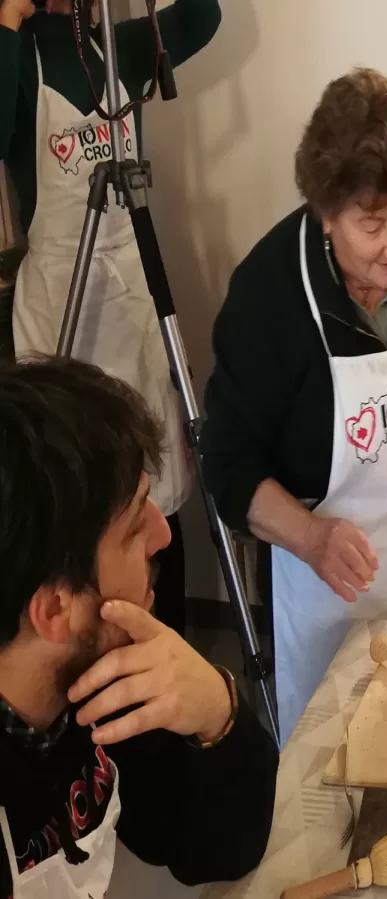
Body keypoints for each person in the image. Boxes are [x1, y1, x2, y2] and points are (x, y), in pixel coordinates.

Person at [201, 68, 387, 742]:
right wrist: (311, 536)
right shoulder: (269, 294)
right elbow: (228, 468)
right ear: (326, 213)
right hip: (327, 601)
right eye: (371, 225)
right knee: (332, 767)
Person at [0, 356, 277, 899]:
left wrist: (216, 710)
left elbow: (219, 850)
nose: (163, 536)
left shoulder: (99, 681)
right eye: (134, 526)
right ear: (54, 610)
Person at [0, 0, 224, 639]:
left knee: (157, 489)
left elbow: (203, 17)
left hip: (131, 296)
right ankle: (85, 655)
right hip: (60, 306)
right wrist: (9, 17)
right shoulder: (19, 58)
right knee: (72, 494)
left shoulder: (117, 46)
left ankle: (170, 640)